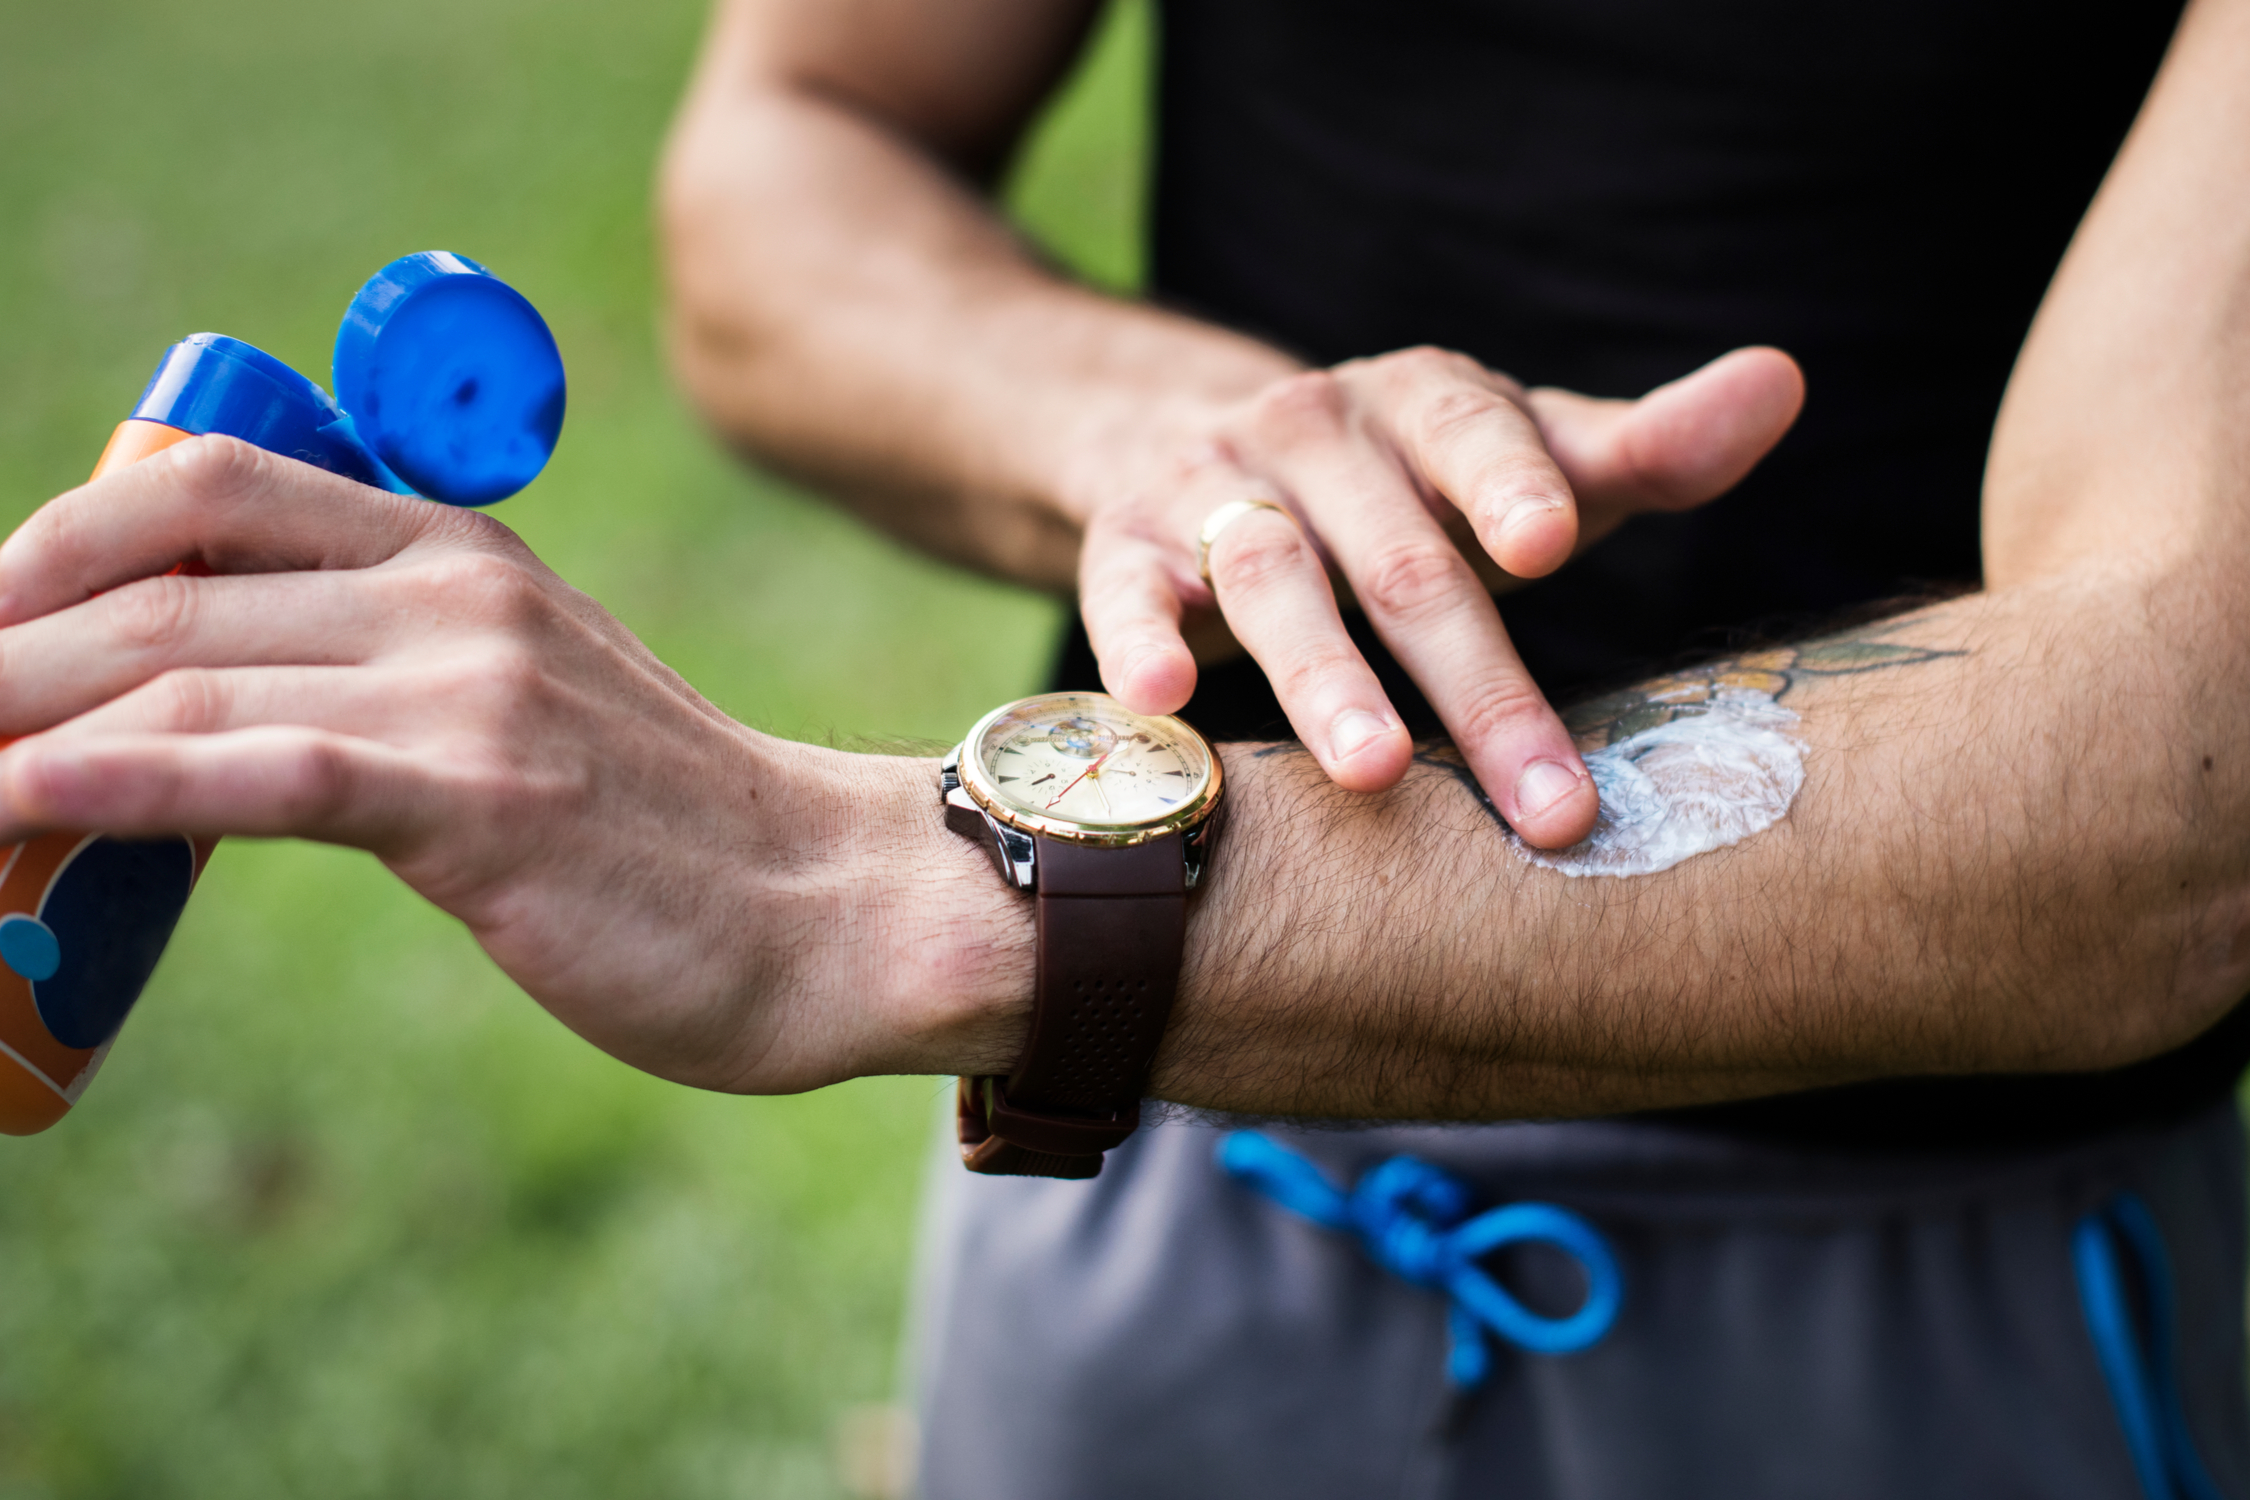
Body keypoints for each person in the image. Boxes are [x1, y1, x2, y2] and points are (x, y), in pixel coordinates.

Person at [0, 0, 2244, 1495]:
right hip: (1156, 1187)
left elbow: (2180, 783)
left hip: (1946, 1298)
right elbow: (797, 145)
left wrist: (868, 886)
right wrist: (1134, 420)